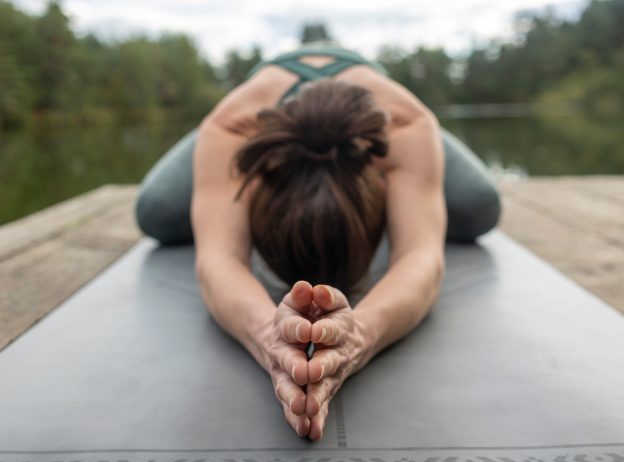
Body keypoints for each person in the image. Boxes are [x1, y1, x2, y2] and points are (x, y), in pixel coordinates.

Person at [134, 43, 501, 441]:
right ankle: (219, 180)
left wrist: (360, 333)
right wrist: (269, 338)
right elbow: (217, 258)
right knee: (157, 211)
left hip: (381, 104)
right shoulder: (232, 127)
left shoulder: (407, 125)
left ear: (381, 178)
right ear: (255, 184)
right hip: (257, 106)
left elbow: (422, 256)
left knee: (478, 206)